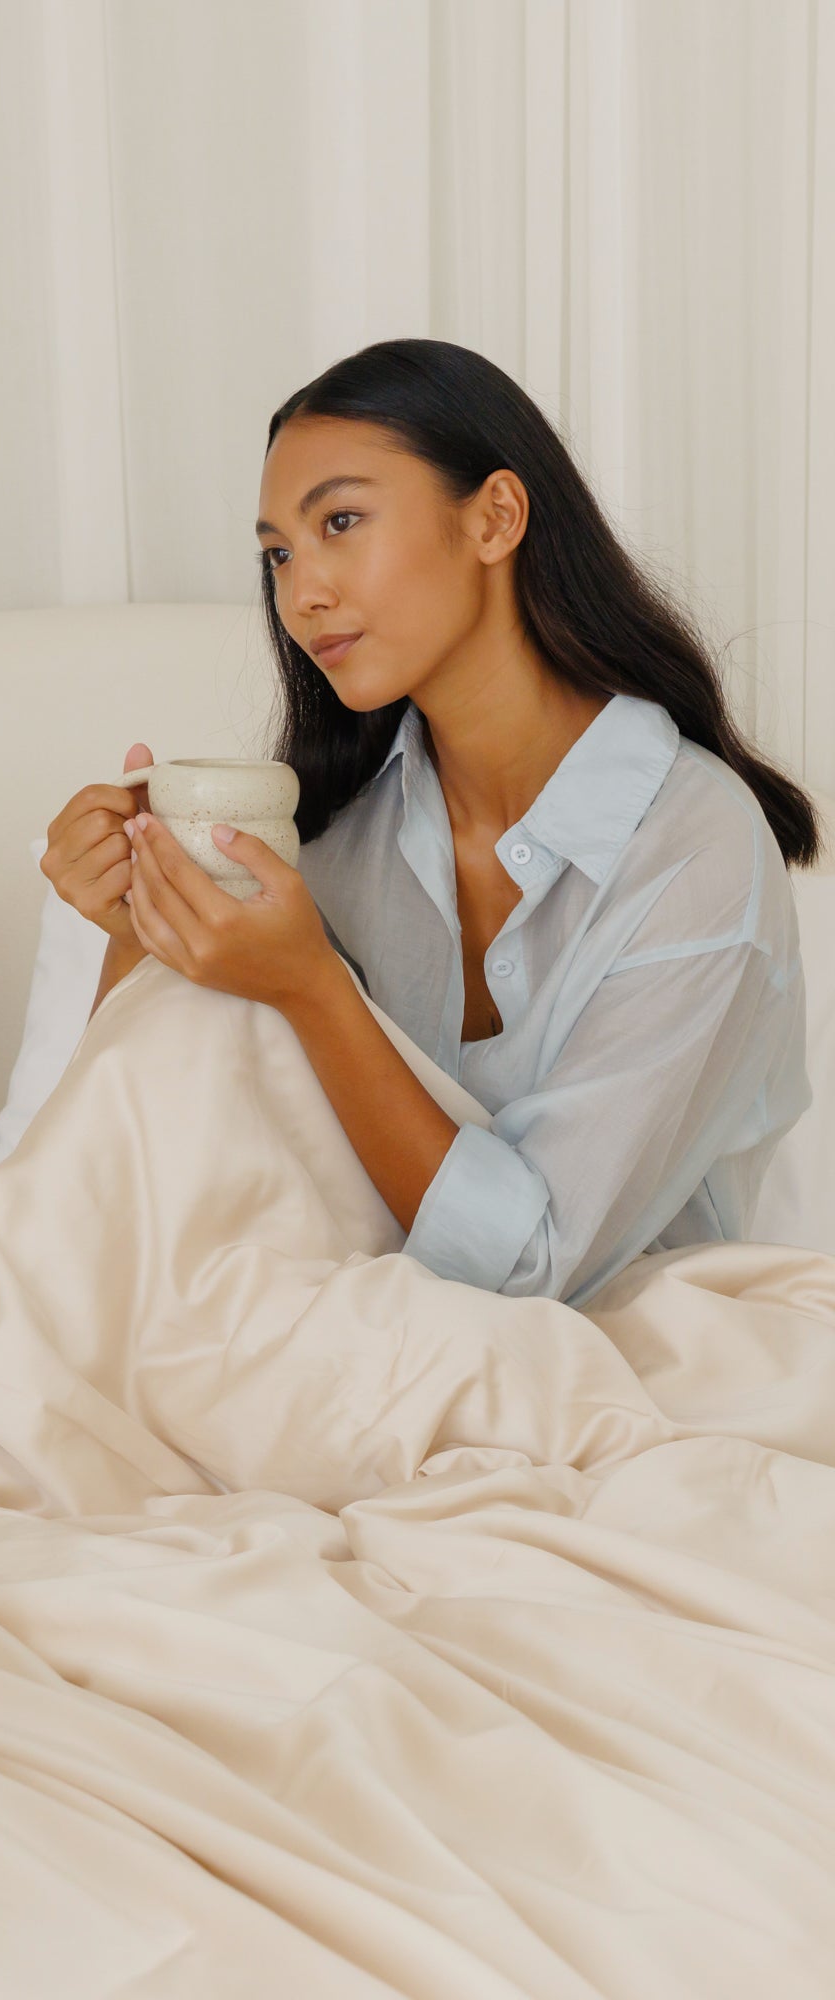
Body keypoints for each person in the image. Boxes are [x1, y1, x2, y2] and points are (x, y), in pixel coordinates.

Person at [41, 336, 821, 1310]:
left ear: (495, 517)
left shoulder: (697, 851)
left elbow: (536, 1267)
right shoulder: (334, 838)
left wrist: (313, 989)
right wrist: (136, 926)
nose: (301, 592)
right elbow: (118, 1173)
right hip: (346, 1322)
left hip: (638, 1344)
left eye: (340, 521)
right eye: (278, 553)